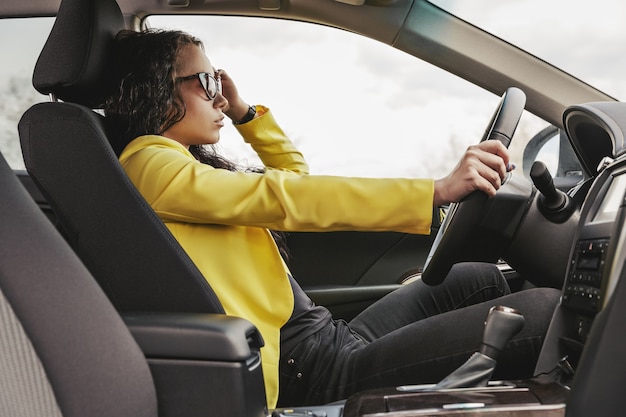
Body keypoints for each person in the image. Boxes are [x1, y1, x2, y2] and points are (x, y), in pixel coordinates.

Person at [103, 29, 561, 408]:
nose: (219, 97)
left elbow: (291, 175)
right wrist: (436, 191)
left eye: (218, 83)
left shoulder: (178, 162)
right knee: (539, 313)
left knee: (475, 279)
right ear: (156, 89)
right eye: (205, 81)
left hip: (322, 336)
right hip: (304, 365)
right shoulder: (149, 164)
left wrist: (246, 113)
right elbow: (286, 195)